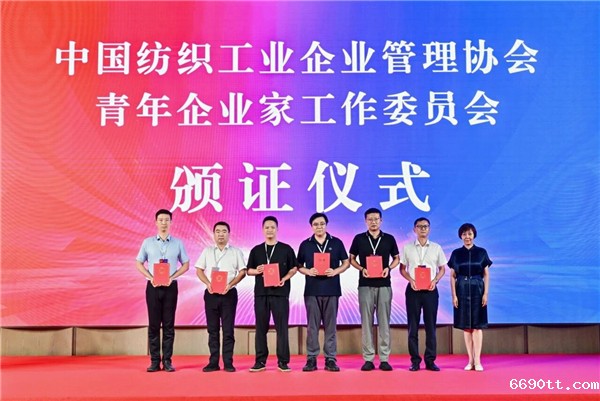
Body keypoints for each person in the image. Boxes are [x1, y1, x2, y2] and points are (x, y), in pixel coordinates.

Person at [135, 209, 190, 372]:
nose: (164, 223)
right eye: (161, 220)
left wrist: (173, 276)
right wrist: (149, 276)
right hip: (152, 287)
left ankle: (167, 361)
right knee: (153, 325)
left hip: (170, 287)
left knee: (168, 324)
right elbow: (138, 263)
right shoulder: (147, 242)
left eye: (167, 220)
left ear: (171, 222)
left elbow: (186, 264)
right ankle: (154, 361)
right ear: (156, 222)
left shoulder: (178, 243)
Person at [297, 213, 350, 372]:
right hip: (312, 290)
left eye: (322, 224)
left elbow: (346, 263)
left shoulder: (336, 242)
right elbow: (298, 266)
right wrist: (308, 271)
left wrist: (335, 271)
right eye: (315, 224)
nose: (319, 227)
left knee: (330, 326)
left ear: (326, 225)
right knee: (312, 327)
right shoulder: (305, 244)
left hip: (332, 289)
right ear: (311, 226)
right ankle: (311, 359)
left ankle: (330, 359)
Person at [349, 208, 400, 371]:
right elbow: (351, 259)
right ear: (365, 221)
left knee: (384, 322)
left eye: (376, 219)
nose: (373, 222)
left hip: (384, 284)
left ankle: (384, 358)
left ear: (381, 220)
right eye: (370, 219)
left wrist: (388, 268)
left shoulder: (389, 238)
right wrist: (361, 269)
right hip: (365, 284)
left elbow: (397, 258)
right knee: (366, 322)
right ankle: (368, 358)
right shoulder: (359, 239)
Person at [246, 216, 298, 372]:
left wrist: (284, 279)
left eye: (272, 227)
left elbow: (294, 268)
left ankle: (283, 361)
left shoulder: (286, 249)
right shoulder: (256, 250)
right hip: (261, 294)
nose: (270, 230)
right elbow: (248, 271)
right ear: (263, 230)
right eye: (267, 227)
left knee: (282, 328)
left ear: (277, 229)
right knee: (260, 328)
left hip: (280, 293)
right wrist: (257, 270)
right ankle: (260, 361)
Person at [195, 221, 247, 373]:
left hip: (229, 294)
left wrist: (230, 284)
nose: (221, 234)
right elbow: (199, 270)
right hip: (211, 293)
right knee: (212, 330)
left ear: (229, 234)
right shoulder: (207, 251)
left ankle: (228, 362)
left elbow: (242, 272)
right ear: (214, 234)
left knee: (228, 330)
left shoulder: (235, 252)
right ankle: (213, 362)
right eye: (218, 231)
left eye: (224, 231)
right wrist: (207, 283)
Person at [399, 217, 446, 372]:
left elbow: (442, 269)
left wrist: (435, 280)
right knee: (412, 327)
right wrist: (410, 280)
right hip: (413, 291)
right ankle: (415, 361)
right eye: (419, 227)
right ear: (415, 229)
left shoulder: (436, 248)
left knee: (430, 327)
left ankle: (430, 361)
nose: (423, 229)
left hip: (430, 291)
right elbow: (402, 269)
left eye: (425, 226)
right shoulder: (407, 248)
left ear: (429, 229)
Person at [448, 223, 492, 372]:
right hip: (461, 288)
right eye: (464, 234)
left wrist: (485, 293)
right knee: (466, 327)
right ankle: (470, 360)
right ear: (461, 236)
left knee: (477, 326)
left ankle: (478, 361)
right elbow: (452, 276)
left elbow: (486, 274)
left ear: (474, 235)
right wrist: (454, 295)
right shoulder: (456, 253)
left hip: (477, 288)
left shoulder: (481, 252)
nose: (467, 237)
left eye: (470, 234)